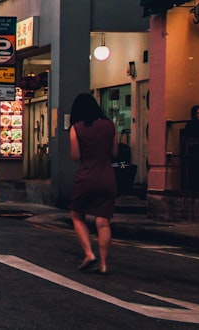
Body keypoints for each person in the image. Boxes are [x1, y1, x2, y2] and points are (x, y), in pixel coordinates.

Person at [69, 93, 117, 276]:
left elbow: (75, 156)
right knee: (103, 221)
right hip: (107, 177)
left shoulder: (77, 128)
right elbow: (114, 152)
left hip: (86, 177)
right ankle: (104, 264)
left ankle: (89, 254)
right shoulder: (109, 126)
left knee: (77, 215)